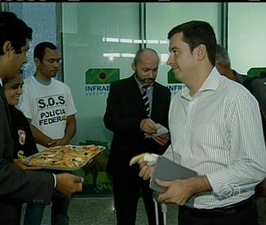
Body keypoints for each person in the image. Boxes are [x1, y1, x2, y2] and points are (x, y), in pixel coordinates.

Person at [138, 20, 266, 225]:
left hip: (230, 217)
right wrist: (161, 163)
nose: (169, 61)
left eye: (175, 51)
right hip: (188, 214)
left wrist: (197, 185)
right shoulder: (178, 100)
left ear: (199, 52)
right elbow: (181, 149)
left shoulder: (236, 98)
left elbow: (254, 166)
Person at [0, 12, 83, 225]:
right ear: (8, 48)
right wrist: (54, 181)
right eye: (25, 52)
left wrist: (12, 164)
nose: (25, 60)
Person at [103, 48, 172, 225]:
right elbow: (111, 120)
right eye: (145, 70)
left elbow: (169, 125)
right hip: (125, 163)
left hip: (155, 163)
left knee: (157, 214)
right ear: (134, 66)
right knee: (126, 216)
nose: (150, 74)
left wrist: (166, 138)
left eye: (155, 70)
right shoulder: (119, 88)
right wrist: (138, 125)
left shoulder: (164, 93)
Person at [17, 41, 77, 225]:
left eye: (58, 61)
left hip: (62, 160)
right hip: (37, 161)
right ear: (37, 61)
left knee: (62, 210)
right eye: (51, 61)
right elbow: (25, 125)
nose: (56, 65)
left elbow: (71, 121)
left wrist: (65, 140)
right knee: (35, 209)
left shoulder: (63, 88)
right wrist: (51, 142)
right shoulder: (25, 88)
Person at [216, 44, 266, 225]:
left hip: (259, 176)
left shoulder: (253, 87)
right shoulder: (215, 95)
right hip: (235, 179)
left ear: (220, 67)